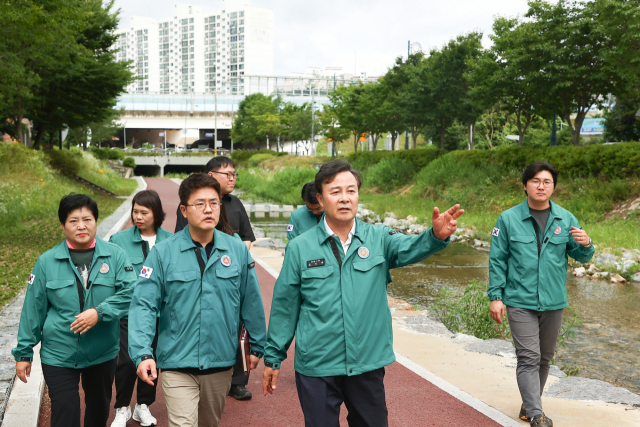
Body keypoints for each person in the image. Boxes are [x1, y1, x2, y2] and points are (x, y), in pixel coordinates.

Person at [262, 159, 463, 427]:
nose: (344, 199)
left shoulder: (379, 238)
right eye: (335, 192)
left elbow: (410, 247)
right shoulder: (300, 248)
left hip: (367, 362)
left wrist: (435, 237)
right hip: (318, 365)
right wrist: (274, 355)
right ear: (320, 199)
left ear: (358, 195)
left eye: (351, 191)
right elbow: (285, 306)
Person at [128, 173, 267, 427]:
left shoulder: (236, 250)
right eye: (199, 203)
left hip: (221, 362)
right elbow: (144, 305)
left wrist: (257, 345)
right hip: (177, 362)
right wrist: (142, 352)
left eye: (214, 203)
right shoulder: (163, 252)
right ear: (184, 209)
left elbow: (251, 300)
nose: (208, 209)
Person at [13, 194, 136, 427]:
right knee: (65, 413)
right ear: (62, 225)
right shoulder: (46, 261)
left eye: (87, 219)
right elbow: (33, 309)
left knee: (98, 412)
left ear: (96, 221)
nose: (81, 226)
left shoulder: (116, 255)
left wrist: (100, 312)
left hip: (102, 353)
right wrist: (23, 353)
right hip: (59, 353)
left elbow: (131, 293)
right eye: (73, 220)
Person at [487, 161, 594, 427]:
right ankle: (536, 415)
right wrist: (495, 296)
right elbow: (497, 260)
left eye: (547, 181)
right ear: (525, 185)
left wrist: (587, 244)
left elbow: (580, 256)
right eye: (535, 181)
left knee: (544, 358)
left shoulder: (565, 218)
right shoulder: (508, 218)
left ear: (553, 187)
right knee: (528, 357)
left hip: (553, 301)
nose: (541, 186)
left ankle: (527, 407)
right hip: (519, 300)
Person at [174, 157, 257, 400]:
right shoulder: (192, 204)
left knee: (238, 325)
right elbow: (182, 237)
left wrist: (237, 258)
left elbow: (247, 237)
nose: (232, 178)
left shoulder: (236, 203)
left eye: (234, 174)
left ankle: (238, 381)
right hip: (200, 269)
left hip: (232, 269)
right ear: (211, 175)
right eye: (226, 173)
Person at [108, 190, 173, 427]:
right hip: (128, 313)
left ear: (156, 213)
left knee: (153, 360)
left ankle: (143, 406)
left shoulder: (171, 240)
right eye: (135, 211)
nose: (138, 216)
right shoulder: (119, 240)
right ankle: (121, 407)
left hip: (159, 313)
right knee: (125, 361)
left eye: (144, 212)